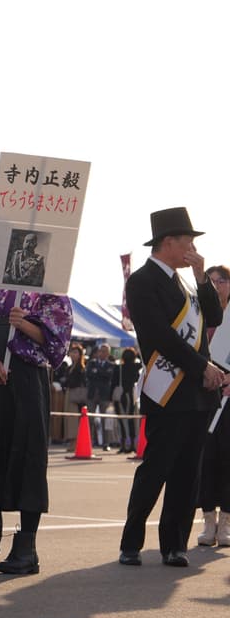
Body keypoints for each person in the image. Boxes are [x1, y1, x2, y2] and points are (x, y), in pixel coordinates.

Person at [0, 206, 73, 576]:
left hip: (23, 377)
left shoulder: (48, 283)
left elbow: (59, 341)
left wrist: (28, 326)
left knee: (25, 455)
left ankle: (26, 545)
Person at [119, 207, 227, 568]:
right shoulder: (142, 281)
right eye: (188, 242)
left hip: (198, 391)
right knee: (157, 466)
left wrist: (201, 277)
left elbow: (214, 317)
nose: (193, 248)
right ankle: (131, 540)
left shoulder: (187, 282)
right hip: (167, 388)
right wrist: (202, 366)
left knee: (188, 471)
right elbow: (158, 335)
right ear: (169, 242)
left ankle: (174, 544)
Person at [196, 265, 230, 546]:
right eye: (211, 281)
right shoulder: (198, 314)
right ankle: (208, 520)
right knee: (205, 458)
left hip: (229, 397)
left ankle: (226, 523)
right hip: (204, 393)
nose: (216, 286)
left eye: (220, 281)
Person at [85, 343, 118, 449]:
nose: (102, 353)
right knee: (90, 419)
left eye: (105, 351)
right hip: (92, 393)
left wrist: (98, 372)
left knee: (105, 420)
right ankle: (90, 441)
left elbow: (109, 376)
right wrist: (100, 373)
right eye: (101, 351)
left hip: (105, 395)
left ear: (108, 353)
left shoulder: (111, 365)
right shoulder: (91, 363)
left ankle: (106, 443)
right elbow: (89, 374)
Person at [117, 347, 141, 454]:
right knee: (132, 420)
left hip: (120, 396)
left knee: (121, 420)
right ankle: (132, 443)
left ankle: (123, 444)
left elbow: (113, 383)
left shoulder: (119, 368)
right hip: (131, 395)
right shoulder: (136, 367)